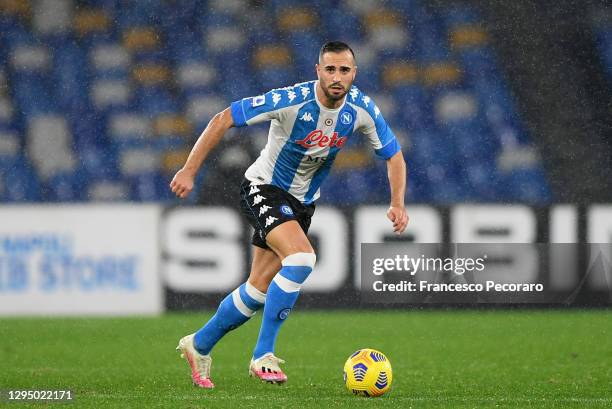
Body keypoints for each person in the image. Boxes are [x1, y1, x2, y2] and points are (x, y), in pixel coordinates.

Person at [171, 41, 408, 388]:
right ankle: (262, 355)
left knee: (256, 291)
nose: (337, 77)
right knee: (301, 259)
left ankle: (199, 344)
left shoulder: (362, 109)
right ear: (318, 71)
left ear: (354, 73)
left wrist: (398, 203)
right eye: (330, 69)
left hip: (301, 203)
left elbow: (394, 155)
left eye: (344, 70)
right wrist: (189, 170)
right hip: (264, 189)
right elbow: (223, 119)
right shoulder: (290, 100)